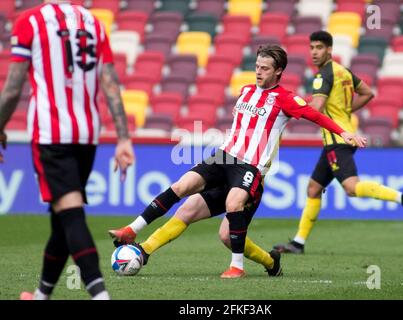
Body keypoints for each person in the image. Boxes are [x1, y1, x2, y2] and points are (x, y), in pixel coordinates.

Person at [109, 44, 366, 278]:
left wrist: (343, 132)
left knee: (226, 231)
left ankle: (247, 265)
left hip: (249, 167)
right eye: (257, 66)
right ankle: (134, 235)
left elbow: (315, 115)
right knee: (181, 189)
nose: (258, 72)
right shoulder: (245, 91)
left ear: (278, 72)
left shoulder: (285, 99)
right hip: (224, 157)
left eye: (265, 68)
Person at [0, 0, 135, 300]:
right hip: (87, 135)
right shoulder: (93, 23)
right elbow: (111, 84)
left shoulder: (30, 21)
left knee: (71, 217)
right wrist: (123, 138)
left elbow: (12, 88)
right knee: (62, 220)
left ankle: (101, 296)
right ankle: (41, 295)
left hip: (51, 135)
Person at [273, 31, 403, 255]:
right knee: (313, 188)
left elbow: (318, 109)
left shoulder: (323, 75)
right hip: (343, 136)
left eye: (319, 48)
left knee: (351, 188)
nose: (314, 52)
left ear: (329, 49)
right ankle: (298, 243)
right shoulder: (343, 71)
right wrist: (345, 111)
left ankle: (402, 197)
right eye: (311, 47)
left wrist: (290, 108)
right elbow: (367, 92)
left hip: (336, 140)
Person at [114, 182, 285, 278]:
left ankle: (270, 262)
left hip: (248, 183)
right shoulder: (241, 120)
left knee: (226, 236)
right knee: (188, 209)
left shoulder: (272, 122)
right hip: (227, 170)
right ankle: (145, 250)